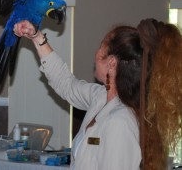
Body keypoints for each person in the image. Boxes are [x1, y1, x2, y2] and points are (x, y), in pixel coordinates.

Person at [13, 18, 182, 170]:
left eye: (101, 46)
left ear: (112, 63)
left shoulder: (120, 122)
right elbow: (66, 84)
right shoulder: (101, 98)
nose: (96, 52)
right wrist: (37, 37)